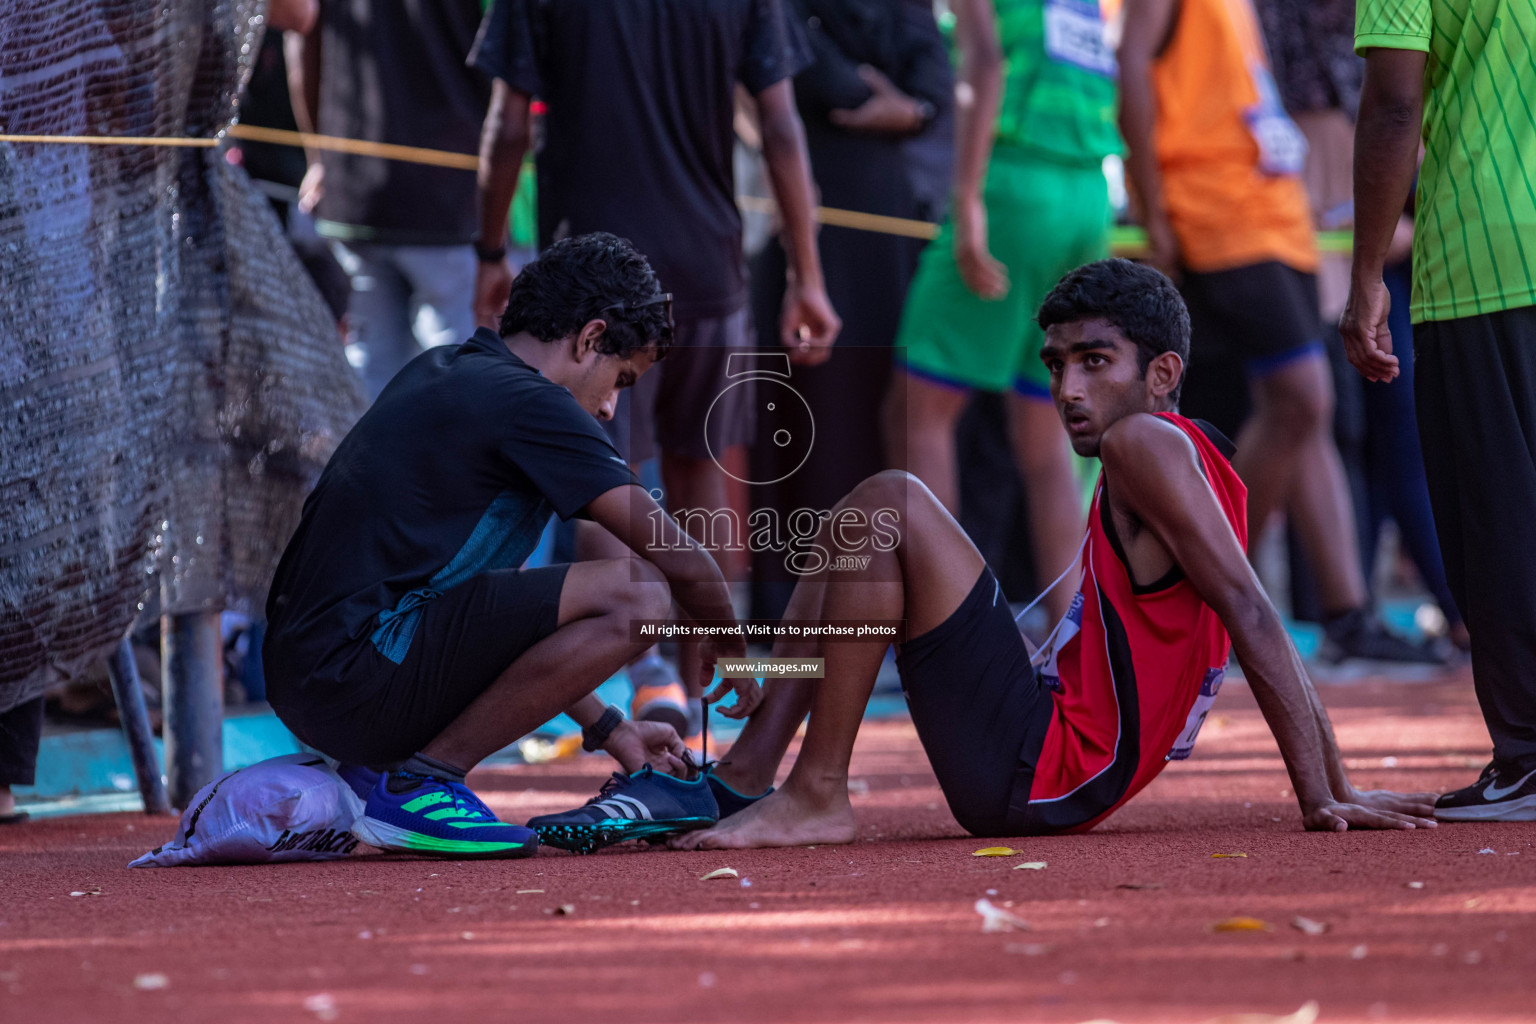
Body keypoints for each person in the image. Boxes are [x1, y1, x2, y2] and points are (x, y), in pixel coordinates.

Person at [669, 259, 1439, 849]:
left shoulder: (1143, 442)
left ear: (1162, 374)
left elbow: (1250, 609)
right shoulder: (1194, 452)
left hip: (1044, 771)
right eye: (1056, 365)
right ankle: (750, 770)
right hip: (1043, 752)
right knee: (857, 522)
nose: (1067, 388)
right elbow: (1247, 609)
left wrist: (1321, 793)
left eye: (1094, 363)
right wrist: (1340, 781)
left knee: (889, 503)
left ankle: (816, 790)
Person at [262, 234, 758, 858]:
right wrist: (733, 655)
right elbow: (683, 560)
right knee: (640, 593)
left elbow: (495, 617)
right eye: (619, 379)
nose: (608, 407)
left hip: (318, 677)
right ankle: (422, 783)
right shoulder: (533, 405)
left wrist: (614, 730)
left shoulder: (450, 367)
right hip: (355, 676)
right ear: (589, 339)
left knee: (593, 588)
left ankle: (398, 776)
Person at [470, 0, 841, 729]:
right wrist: (808, 273)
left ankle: (636, 678)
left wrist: (488, 251)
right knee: (702, 473)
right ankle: (710, 683)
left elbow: (507, 125)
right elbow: (780, 128)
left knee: (600, 483)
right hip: (706, 270)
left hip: (589, 283)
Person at [1117, 0, 1439, 664]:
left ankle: (1346, 615)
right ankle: (1210, 595)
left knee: (1309, 411)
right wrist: (1154, 210)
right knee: (1301, 400)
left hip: (1273, 214)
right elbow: (1131, 71)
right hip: (1219, 214)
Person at [1342, 0, 1536, 821]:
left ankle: (1527, 758)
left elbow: (1394, 102)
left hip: (1484, 249)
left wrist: (1363, 280)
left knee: (1495, 511)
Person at [887, 0, 1120, 626]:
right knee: (1045, 432)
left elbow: (984, 63)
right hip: (1086, 197)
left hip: (1013, 191)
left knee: (918, 411)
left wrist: (966, 200)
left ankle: (936, 625)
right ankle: (1075, 630)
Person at [285, 0, 490, 400]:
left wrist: (319, 158)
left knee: (375, 374)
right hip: (447, 201)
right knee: (455, 378)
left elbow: (302, 39)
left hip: (363, 192)